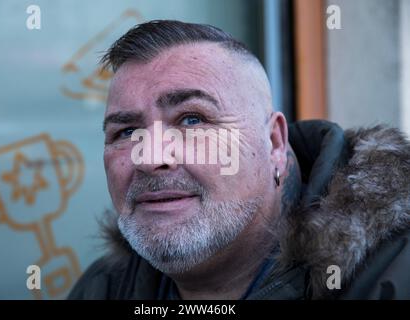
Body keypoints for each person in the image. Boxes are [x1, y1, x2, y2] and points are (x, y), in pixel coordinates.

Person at [68, 20, 410, 300]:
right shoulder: (104, 288)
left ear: (274, 143)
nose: (151, 157)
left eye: (192, 120)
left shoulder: (393, 274)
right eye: (126, 132)